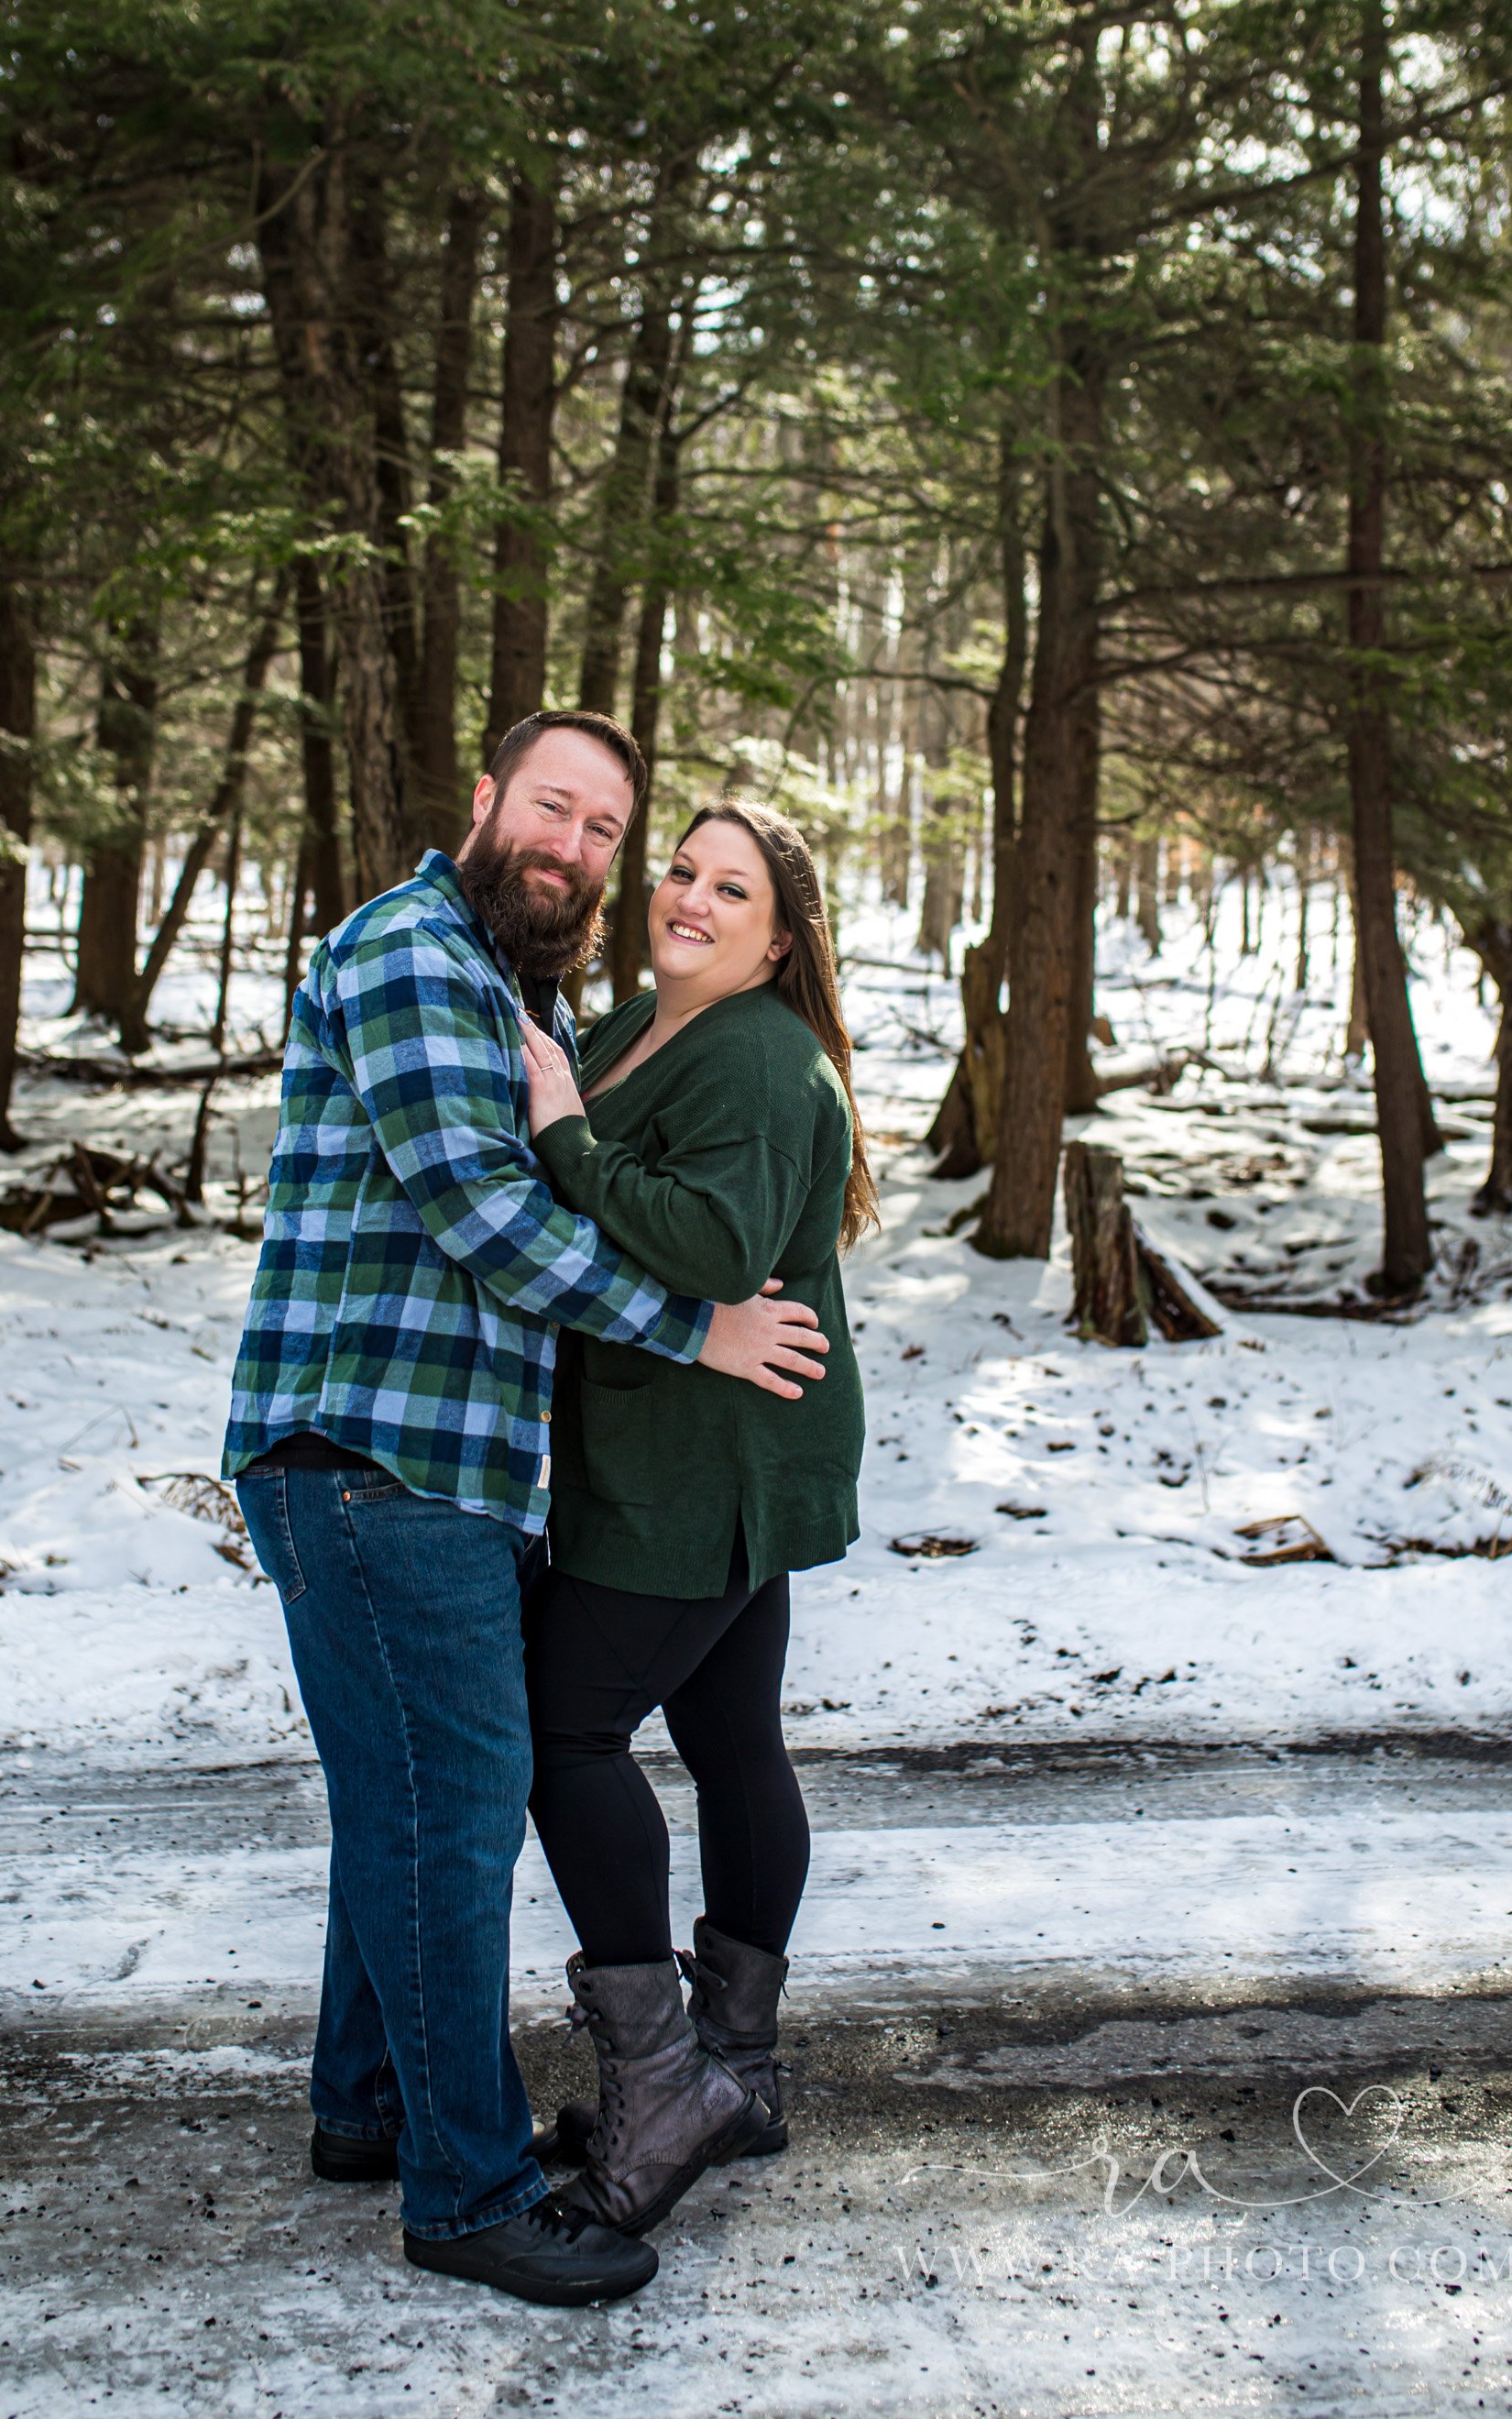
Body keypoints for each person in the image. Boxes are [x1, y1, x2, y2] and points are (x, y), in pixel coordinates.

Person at [224, 714, 830, 2309]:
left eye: (603, 828)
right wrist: (695, 1327)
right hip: (373, 1456)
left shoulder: (525, 987)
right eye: (552, 807)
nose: (575, 845)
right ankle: (470, 2189)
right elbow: (486, 1211)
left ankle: (370, 2106)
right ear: (483, 800)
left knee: (415, 1803)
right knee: (458, 1811)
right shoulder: (417, 952)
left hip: (447, 1468)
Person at [513, 798, 873, 2238]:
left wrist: (565, 1142)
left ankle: (668, 2086)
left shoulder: (763, 1057)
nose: (693, 899)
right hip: (684, 1444)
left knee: (562, 1734)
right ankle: (737, 2073)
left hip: (708, 1463)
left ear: (780, 938)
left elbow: (718, 1245)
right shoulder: (627, 1034)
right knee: (733, 1743)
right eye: (682, 871)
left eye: (735, 889)